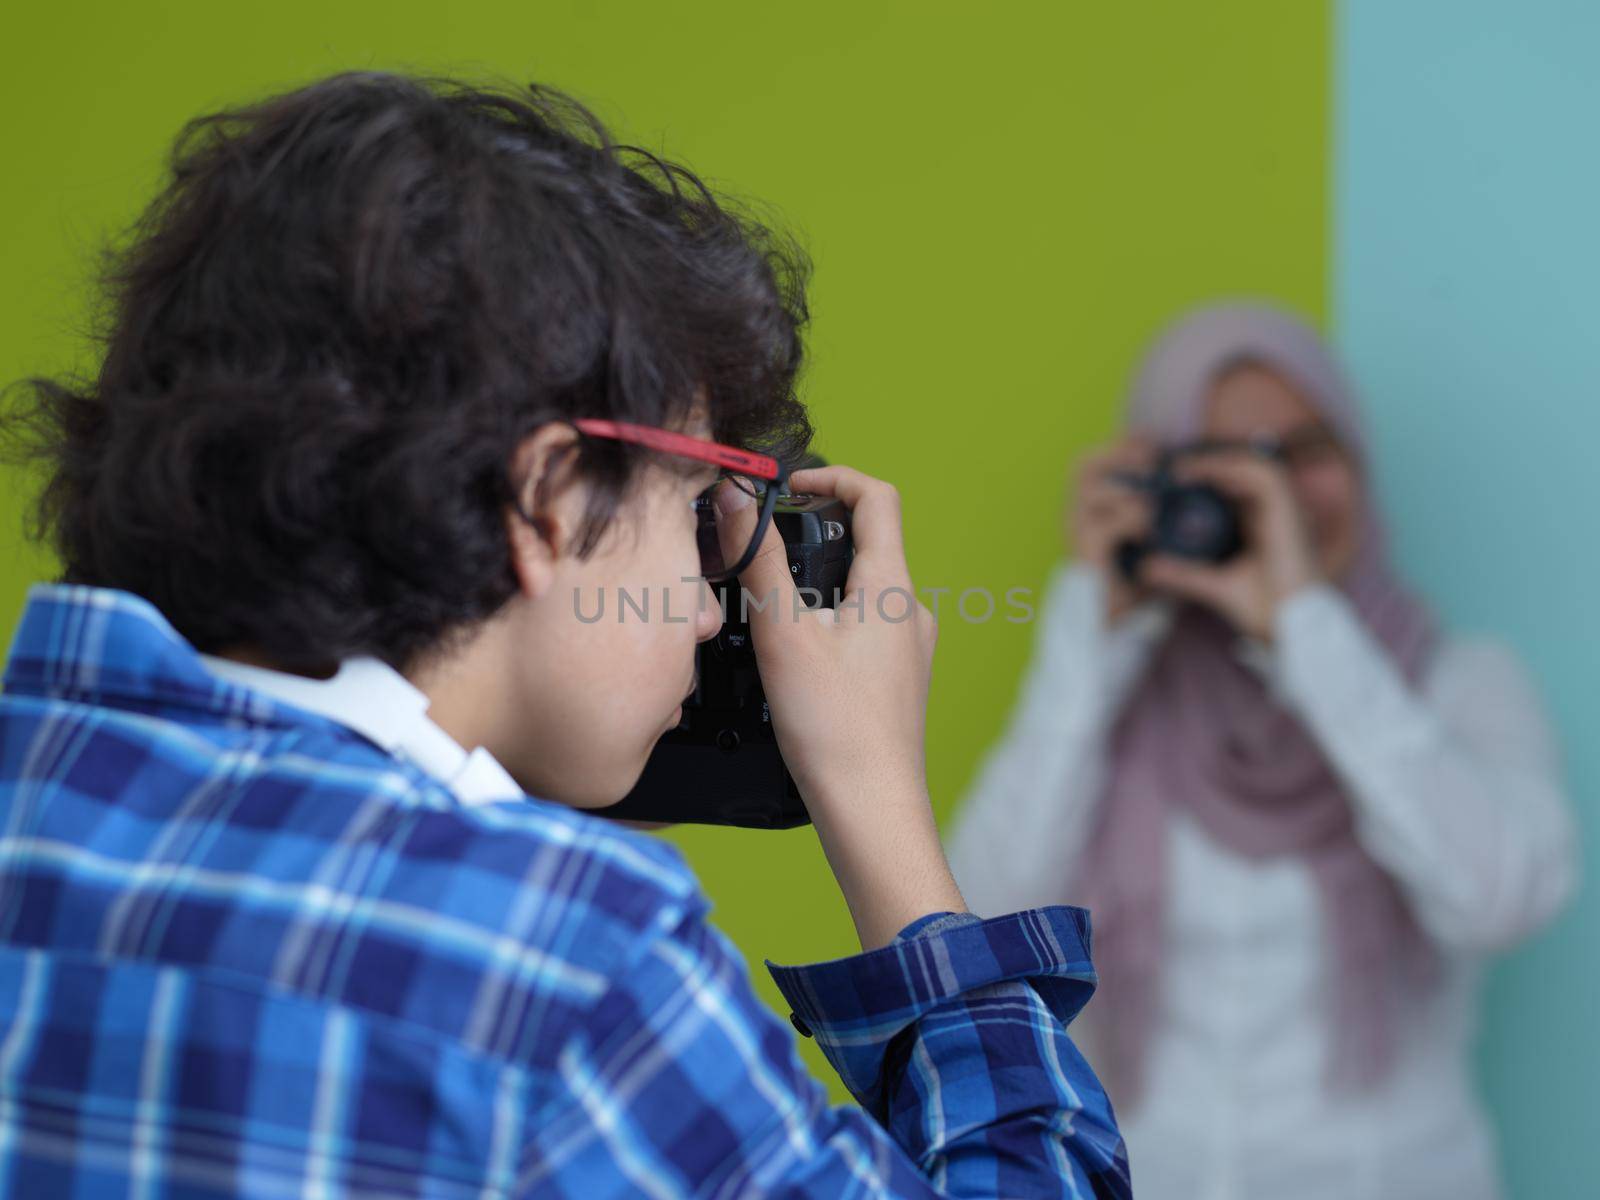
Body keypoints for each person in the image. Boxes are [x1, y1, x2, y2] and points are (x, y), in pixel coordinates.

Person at [0, 72, 1131, 1198]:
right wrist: (883, 808)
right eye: (697, 511)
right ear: (547, 498)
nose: (704, 603)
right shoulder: (560, 960)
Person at [946, 302, 1578, 1200]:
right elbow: (981, 928)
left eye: (1304, 452)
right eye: (1226, 460)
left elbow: (1500, 899)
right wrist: (1090, 627)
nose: (1270, 492)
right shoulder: (1117, 695)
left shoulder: (1461, 681)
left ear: (1360, 464)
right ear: (1160, 483)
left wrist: (1302, 629)